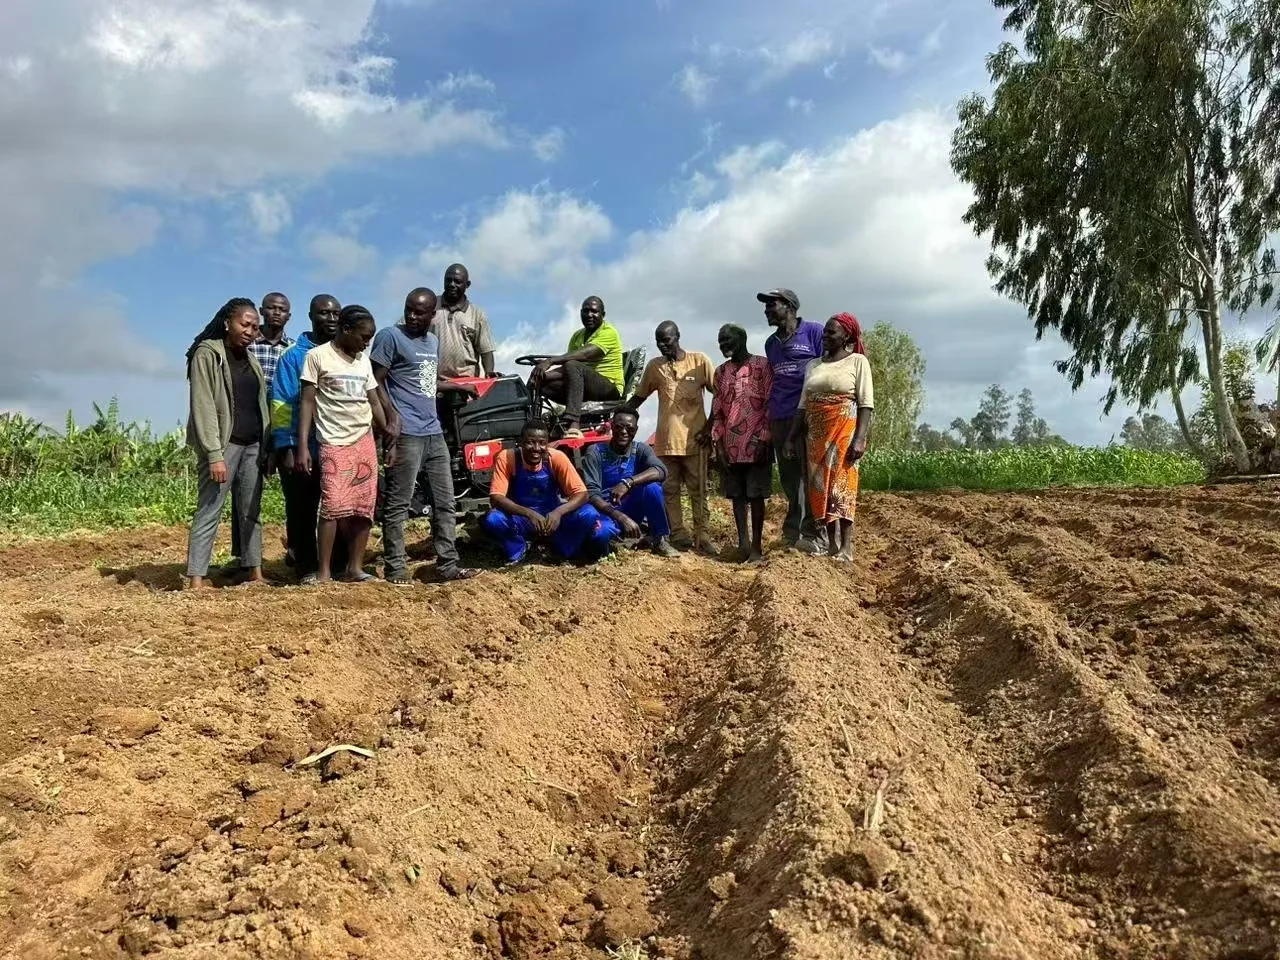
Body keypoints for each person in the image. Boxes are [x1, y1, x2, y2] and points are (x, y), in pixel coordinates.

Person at [372, 288, 480, 585]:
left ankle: (447, 565)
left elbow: (427, 381)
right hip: (406, 434)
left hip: (433, 431)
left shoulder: (432, 341)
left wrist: (458, 386)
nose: (411, 316)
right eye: (408, 309)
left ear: (432, 315)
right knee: (399, 503)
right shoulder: (390, 337)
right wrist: (392, 417)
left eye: (419, 312)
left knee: (445, 502)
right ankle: (396, 569)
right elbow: (374, 381)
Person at [297, 305, 389, 584]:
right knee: (332, 505)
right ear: (346, 330)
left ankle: (354, 568)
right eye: (364, 337)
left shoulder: (363, 361)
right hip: (333, 441)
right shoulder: (317, 357)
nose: (366, 343)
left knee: (364, 506)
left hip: (363, 440)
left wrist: (386, 430)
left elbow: (373, 400)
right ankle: (324, 573)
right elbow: (307, 402)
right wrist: (302, 446)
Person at [184, 298, 271, 590]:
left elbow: (259, 404)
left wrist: (266, 446)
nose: (250, 331)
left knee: (251, 511)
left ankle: (255, 573)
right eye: (244, 324)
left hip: (253, 446)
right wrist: (214, 454)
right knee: (210, 509)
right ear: (227, 323)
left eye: (255, 327)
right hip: (224, 446)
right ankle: (197, 578)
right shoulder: (207, 354)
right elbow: (203, 404)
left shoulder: (251, 360)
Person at [271, 295, 350, 580]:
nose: (331, 319)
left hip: (336, 444)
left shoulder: (345, 353)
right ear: (311, 316)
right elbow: (281, 405)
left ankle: (337, 564)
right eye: (324, 313)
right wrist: (287, 445)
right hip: (302, 446)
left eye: (336, 313)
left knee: (337, 505)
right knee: (302, 508)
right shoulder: (293, 356)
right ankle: (304, 564)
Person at [785, 313, 875, 563]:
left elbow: (866, 403)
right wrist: (791, 438)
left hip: (843, 431)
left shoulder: (857, 362)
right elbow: (802, 405)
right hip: (815, 436)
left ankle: (846, 547)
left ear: (846, 336)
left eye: (831, 332)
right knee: (820, 488)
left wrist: (860, 439)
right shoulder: (814, 365)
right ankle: (832, 545)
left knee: (842, 487)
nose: (825, 336)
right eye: (824, 331)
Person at [628, 321, 717, 555]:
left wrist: (709, 428)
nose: (662, 345)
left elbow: (720, 395)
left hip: (696, 441)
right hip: (666, 443)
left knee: (699, 491)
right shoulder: (655, 367)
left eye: (666, 340)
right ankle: (678, 535)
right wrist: (620, 412)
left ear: (677, 336)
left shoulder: (699, 361)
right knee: (669, 491)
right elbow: (639, 397)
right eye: (658, 341)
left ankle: (703, 537)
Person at [480, 420, 604, 564]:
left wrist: (558, 513)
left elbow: (582, 494)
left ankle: (561, 550)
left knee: (589, 513)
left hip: (551, 518)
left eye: (542, 443)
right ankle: (518, 549)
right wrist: (529, 514)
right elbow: (496, 498)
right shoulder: (507, 457)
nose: (536, 448)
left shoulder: (556, 458)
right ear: (521, 442)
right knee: (493, 519)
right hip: (520, 518)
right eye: (530, 442)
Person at [760, 287, 827, 553]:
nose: (766, 310)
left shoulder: (814, 332)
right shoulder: (771, 343)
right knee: (790, 479)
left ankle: (815, 532)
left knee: (812, 476)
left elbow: (828, 368)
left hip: (808, 415)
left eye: (772, 305)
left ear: (789, 306)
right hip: (780, 416)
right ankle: (793, 532)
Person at [233, 291, 294, 565]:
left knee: (293, 492)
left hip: (283, 424)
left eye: (282, 309)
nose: (276, 313)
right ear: (262, 311)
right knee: (244, 493)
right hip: (252, 423)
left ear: (289, 316)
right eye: (271, 308)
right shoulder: (247, 345)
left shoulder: (292, 349)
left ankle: (295, 549)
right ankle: (243, 557)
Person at [709, 324, 773, 563]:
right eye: (720, 341)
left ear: (742, 339)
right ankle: (743, 544)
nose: (723, 345)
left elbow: (770, 404)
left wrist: (764, 438)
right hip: (731, 447)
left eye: (727, 340)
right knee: (737, 496)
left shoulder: (762, 365)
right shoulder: (720, 372)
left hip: (757, 444)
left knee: (756, 496)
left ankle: (756, 548)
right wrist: (719, 446)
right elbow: (717, 412)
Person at [582, 409, 680, 558]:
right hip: (605, 511)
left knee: (652, 488)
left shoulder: (640, 449)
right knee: (601, 536)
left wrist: (628, 482)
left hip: (631, 508)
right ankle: (616, 541)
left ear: (636, 430)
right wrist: (621, 518)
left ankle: (659, 539)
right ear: (611, 426)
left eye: (630, 428)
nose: (624, 432)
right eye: (619, 427)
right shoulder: (595, 452)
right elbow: (592, 494)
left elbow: (661, 470)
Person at [530, 296, 623, 437]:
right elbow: (567, 370)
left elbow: (584, 356)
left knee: (573, 364)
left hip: (608, 388)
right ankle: (534, 423)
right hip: (583, 387)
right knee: (541, 382)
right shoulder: (577, 336)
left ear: (603, 315)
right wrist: (542, 375)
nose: (589, 315)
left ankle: (573, 422)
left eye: (594, 311)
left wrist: (550, 361)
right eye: (586, 311)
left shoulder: (609, 332)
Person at [435, 263, 496, 378]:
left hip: (466, 382)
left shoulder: (477, 314)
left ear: (467, 284)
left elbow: (486, 351)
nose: (452, 284)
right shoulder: (430, 305)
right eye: (448, 280)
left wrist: (489, 373)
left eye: (457, 282)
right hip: (434, 381)